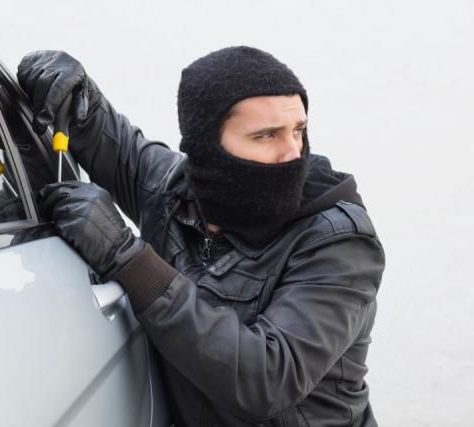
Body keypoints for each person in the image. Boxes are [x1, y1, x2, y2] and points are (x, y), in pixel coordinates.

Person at [19, 47, 385, 426]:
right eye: (267, 135)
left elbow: (268, 379)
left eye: (299, 130)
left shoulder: (339, 239)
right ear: (208, 146)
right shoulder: (176, 191)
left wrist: (129, 260)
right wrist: (65, 84)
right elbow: (107, 137)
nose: (293, 153)